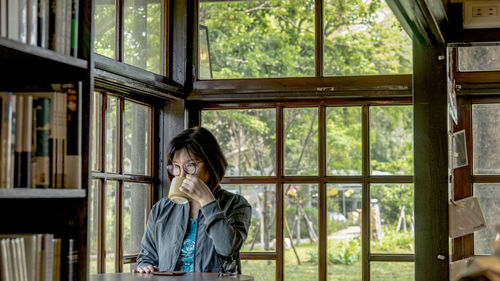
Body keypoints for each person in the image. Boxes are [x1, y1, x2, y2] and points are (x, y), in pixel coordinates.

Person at [133, 126, 252, 274]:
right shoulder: (161, 209)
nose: (182, 174)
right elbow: (146, 257)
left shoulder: (236, 204)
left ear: (211, 164)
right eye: (176, 166)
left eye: (190, 165)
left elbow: (227, 248)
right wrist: (145, 266)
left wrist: (207, 200)